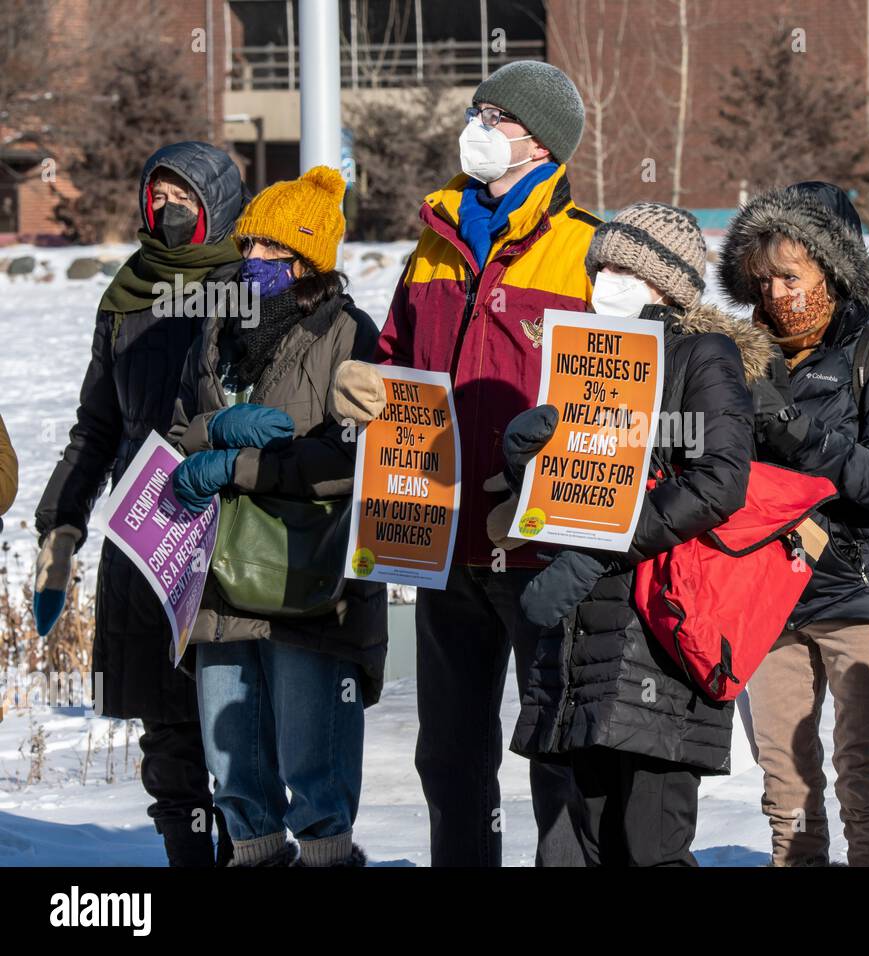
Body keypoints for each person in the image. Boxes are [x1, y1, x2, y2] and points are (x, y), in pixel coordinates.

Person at [328, 59, 597, 867]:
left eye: (496, 116)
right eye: (475, 111)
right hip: (442, 547)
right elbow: (398, 356)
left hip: (540, 548)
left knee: (558, 754)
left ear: (541, 142)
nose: (476, 127)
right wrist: (363, 382)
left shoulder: (587, 250)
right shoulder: (434, 240)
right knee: (449, 758)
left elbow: (611, 407)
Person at [507, 202, 768, 865]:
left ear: (667, 283)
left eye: (627, 269)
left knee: (650, 844)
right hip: (583, 638)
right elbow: (573, 483)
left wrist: (600, 549)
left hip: (662, 629)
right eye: (603, 266)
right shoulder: (583, 359)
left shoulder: (700, 355)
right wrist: (521, 461)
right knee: (594, 840)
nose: (607, 282)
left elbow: (717, 482)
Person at [167, 166, 387, 867]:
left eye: (270, 250)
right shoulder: (213, 332)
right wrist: (212, 437)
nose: (252, 260)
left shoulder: (352, 335)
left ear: (309, 261)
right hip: (214, 582)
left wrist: (249, 466)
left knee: (313, 770)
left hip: (308, 581)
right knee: (236, 777)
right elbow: (170, 436)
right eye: (248, 246)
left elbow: (356, 461)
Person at [33, 142, 245, 867]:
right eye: (157, 195)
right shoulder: (128, 292)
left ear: (217, 202)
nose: (168, 210)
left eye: (184, 196)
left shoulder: (250, 284)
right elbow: (96, 425)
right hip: (142, 530)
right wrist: (61, 525)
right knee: (166, 721)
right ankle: (186, 852)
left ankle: (252, 847)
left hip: (226, 529)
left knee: (236, 718)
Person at [717, 181, 869, 866]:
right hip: (766, 595)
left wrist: (796, 431)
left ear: (835, 270)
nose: (778, 293)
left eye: (792, 275)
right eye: (765, 278)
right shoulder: (739, 356)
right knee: (786, 790)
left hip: (860, 597)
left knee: (865, 781)